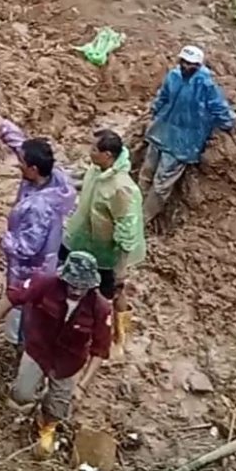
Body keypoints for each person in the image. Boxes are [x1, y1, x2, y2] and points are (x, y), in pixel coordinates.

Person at [0, 251, 112, 460]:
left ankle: (46, 425)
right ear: (64, 278)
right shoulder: (44, 283)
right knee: (21, 395)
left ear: (91, 285)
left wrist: (83, 386)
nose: (76, 291)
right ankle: (27, 409)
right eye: (72, 285)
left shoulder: (100, 308)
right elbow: (13, 297)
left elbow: (101, 350)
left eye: (82, 287)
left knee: (59, 408)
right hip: (39, 349)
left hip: (69, 362)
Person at [0, 96, 76, 342]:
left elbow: (24, 249)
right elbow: (16, 139)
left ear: (34, 169)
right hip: (45, 252)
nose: (18, 165)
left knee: (23, 312)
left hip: (32, 270)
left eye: (21, 163)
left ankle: (23, 346)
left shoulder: (40, 208)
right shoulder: (55, 176)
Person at [61, 129, 145, 351]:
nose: (89, 152)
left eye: (94, 149)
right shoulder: (97, 169)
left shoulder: (122, 189)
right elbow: (86, 185)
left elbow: (127, 232)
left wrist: (120, 267)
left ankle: (115, 337)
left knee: (108, 296)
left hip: (105, 254)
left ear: (107, 154)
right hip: (80, 241)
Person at [140, 44, 236, 223]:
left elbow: (219, 107)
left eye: (191, 64)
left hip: (184, 141)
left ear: (199, 65)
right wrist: (154, 111)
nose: (186, 66)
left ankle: (142, 219)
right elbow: (163, 96)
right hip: (162, 130)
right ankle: (133, 209)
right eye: (183, 62)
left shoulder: (205, 84)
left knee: (161, 183)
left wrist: (229, 125)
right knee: (147, 173)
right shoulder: (174, 76)